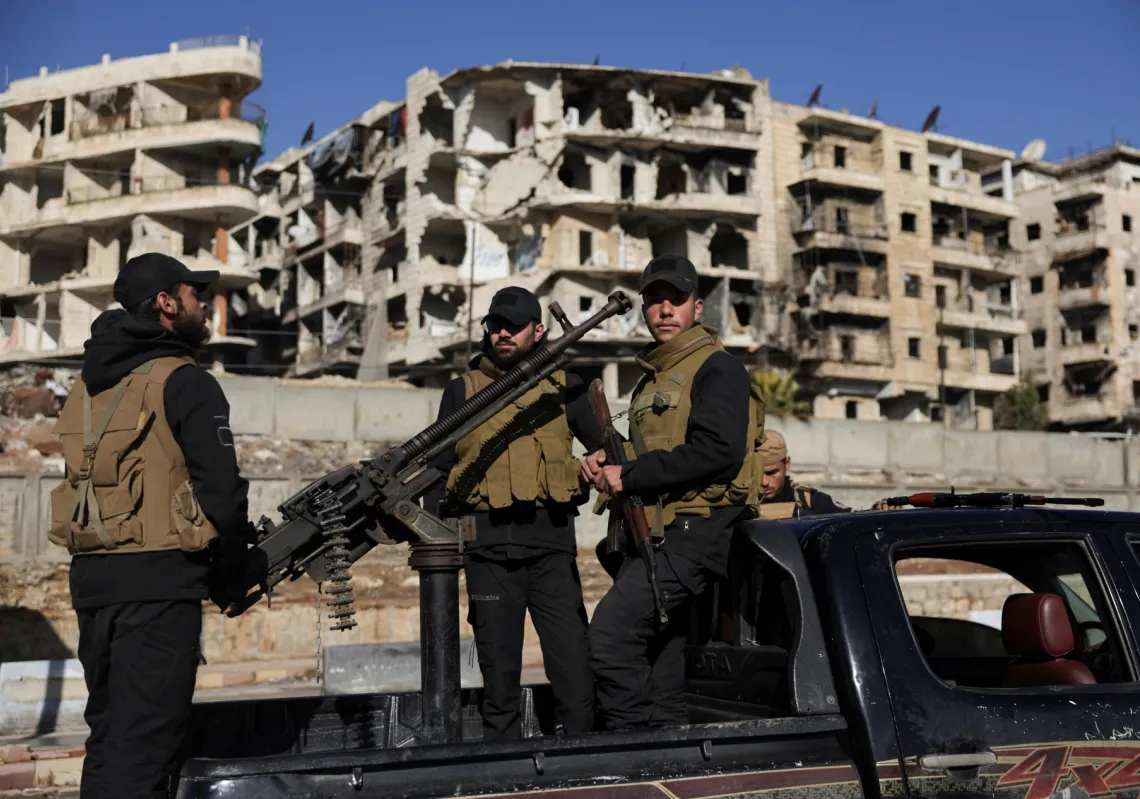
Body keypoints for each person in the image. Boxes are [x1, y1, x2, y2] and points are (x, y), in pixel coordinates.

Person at [47, 253, 254, 799]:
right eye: (193, 294)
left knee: (110, 736)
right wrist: (232, 574)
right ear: (166, 303)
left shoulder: (88, 385)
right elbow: (222, 492)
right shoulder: (185, 382)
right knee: (148, 748)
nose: (203, 303)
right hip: (159, 584)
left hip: (93, 582)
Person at [582, 254, 759, 730]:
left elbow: (717, 450)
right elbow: (654, 451)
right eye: (654, 300)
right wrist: (607, 462)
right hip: (653, 534)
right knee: (662, 658)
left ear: (697, 308)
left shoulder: (718, 368)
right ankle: (668, 751)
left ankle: (630, 747)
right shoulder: (653, 376)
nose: (664, 309)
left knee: (611, 636)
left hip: (693, 531)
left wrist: (630, 476)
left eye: (676, 300)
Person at [426, 286, 601, 740]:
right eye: (495, 325)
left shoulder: (566, 387)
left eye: (514, 326)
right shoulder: (462, 390)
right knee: (498, 682)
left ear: (538, 331)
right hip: (488, 556)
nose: (503, 334)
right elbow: (435, 471)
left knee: (574, 671)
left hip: (551, 553)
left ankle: (580, 764)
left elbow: (607, 454)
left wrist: (598, 466)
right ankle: (501, 768)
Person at [757, 430, 851, 518]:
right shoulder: (747, 503)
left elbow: (853, 521)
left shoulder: (811, 501)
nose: (764, 482)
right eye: (757, 474)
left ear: (787, 463)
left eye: (771, 473)